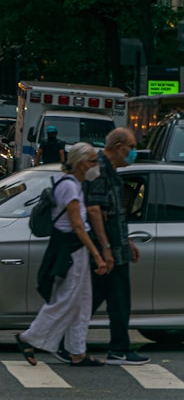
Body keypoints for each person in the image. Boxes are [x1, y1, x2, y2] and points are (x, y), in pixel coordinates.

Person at [15, 143, 107, 367]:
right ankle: (28, 337)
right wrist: (98, 255)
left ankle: (77, 351)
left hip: (76, 249)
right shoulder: (70, 187)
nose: (97, 165)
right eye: (93, 161)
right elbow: (77, 225)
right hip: (71, 250)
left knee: (83, 301)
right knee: (67, 299)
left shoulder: (76, 184)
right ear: (81, 163)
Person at [83, 127, 149, 365]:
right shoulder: (99, 170)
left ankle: (65, 340)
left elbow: (113, 213)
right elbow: (94, 210)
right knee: (118, 300)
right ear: (119, 147)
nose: (133, 153)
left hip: (115, 246)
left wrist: (127, 241)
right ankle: (119, 349)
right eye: (131, 148)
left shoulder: (110, 171)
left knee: (99, 298)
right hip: (108, 249)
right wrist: (107, 248)